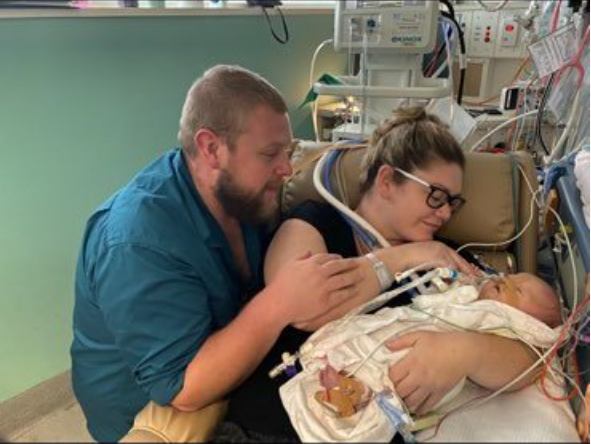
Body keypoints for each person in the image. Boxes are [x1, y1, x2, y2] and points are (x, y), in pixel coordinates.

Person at [70, 65, 366, 443]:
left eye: (288, 151)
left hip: (223, 356)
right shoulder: (137, 241)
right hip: (150, 409)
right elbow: (184, 391)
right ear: (211, 148)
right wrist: (280, 301)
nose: (286, 168)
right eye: (271, 153)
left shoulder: (240, 197)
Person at [221, 108, 539, 441]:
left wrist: (464, 353)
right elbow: (307, 310)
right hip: (272, 428)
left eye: (453, 203)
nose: (445, 212)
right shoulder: (315, 223)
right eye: (436, 196)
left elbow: (532, 351)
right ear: (387, 180)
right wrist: (406, 256)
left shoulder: (449, 256)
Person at [280, 271, 563, 442]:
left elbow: (528, 361)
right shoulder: (457, 285)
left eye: (520, 290)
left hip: (407, 366)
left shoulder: (499, 324)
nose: (505, 280)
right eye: (510, 277)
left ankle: (348, 396)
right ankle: (336, 379)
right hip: (378, 333)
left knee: (379, 382)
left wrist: (464, 351)